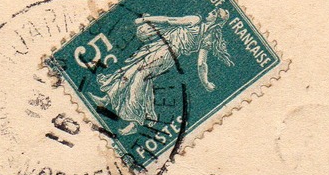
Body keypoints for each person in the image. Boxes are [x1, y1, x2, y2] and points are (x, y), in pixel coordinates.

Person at [90, 9, 233, 134]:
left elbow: (169, 21)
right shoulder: (205, 33)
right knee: (131, 69)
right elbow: (201, 62)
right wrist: (206, 82)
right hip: (160, 46)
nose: (210, 12)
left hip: (167, 53)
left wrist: (145, 19)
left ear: (217, 20)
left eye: (214, 13)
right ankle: (107, 98)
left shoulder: (197, 22)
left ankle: (134, 120)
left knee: (139, 77)